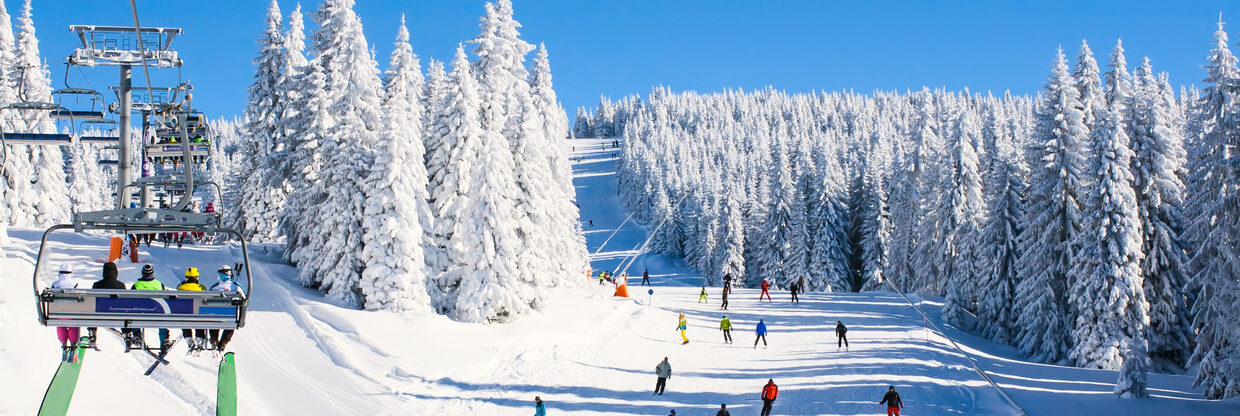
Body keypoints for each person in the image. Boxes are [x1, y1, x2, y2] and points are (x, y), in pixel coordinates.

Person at [131, 264, 172, 354]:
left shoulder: (136, 285)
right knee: (163, 321)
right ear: (152, 273)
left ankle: (137, 334)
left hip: (141, 314)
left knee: (134, 314)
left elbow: (131, 301)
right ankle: (163, 341)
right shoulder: (159, 284)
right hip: (157, 313)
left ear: (143, 273)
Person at [88, 262, 126, 344]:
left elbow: (92, 300)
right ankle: (127, 334)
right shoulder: (121, 285)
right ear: (116, 272)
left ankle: (92, 333)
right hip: (118, 314)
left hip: (100, 313)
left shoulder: (97, 285)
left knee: (91, 310)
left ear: (104, 272)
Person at [208, 265, 244, 351]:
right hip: (230, 318)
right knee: (231, 324)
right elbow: (244, 299)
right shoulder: (236, 286)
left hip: (215, 317)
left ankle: (214, 340)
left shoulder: (214, 287)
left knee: (213, 321)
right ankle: (224, 342)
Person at [176, 267, 208, 349]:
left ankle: (188, 337)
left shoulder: (181, 288)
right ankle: (200, 337)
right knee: (200, 316)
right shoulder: (202, 288)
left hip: (185, 315)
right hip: (198, 314)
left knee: (183, 316)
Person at [51, 264, 80, 352]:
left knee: (60, 324)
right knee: (73, 324)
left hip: (58, 313)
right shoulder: (74, 284)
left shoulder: (55, 284)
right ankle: (73, 342)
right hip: (71, 312)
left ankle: (63, 342)